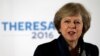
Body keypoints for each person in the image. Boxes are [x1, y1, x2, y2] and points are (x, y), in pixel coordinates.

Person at [33, 2, 99, 56]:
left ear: (83, 27)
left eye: (77, 22)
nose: (72, 25)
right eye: (67, 21)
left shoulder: (92, 50)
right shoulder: (43, 51)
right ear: (59, 27)